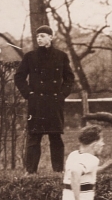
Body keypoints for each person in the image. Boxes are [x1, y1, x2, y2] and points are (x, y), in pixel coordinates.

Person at [14, 25, 76, 174]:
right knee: (34, 138)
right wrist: (29, 94)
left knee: (56, 138)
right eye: (37, 37)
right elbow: (19, 77)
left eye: (42, 36)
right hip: (37, 103)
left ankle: (58, 171)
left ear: (51, 37)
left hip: (54, 103)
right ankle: (30, 172)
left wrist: (61, 95)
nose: (39, 39)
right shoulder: (30, 57)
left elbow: (69, 79)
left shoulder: (61, 56)